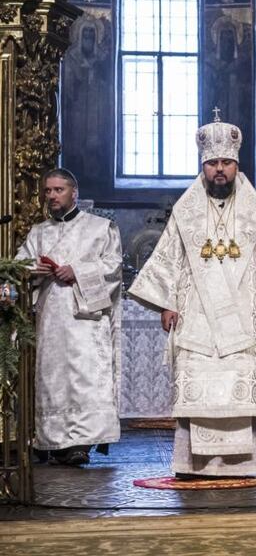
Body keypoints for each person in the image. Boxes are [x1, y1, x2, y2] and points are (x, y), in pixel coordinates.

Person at [128, 112, 256, 478]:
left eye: (226, 162)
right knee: (199, 386)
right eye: (212, 163)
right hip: (197, 316)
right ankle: (193, 464)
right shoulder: (186, 211)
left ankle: (243, 464)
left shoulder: (255, 211)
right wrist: (167, 304)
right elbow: (169, 258)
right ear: (203, 166)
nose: (219, 170)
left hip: (243, 312)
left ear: (236, 165)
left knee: (238, 383)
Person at [15, 168, 122, 466]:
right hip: (51, 318)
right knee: (54, 379)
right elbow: (21, 264)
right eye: (47, 191)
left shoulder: (101, 228)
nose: (51, 196)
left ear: (74, 193)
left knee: (85, 377)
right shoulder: (39, 232)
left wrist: (77, 271)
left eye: (58, 190)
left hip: (86, 320)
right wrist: (33, 269)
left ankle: (82, 444)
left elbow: (113, 267)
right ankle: (54, 441)